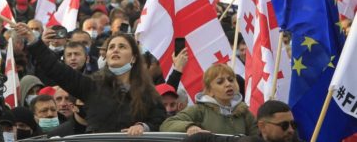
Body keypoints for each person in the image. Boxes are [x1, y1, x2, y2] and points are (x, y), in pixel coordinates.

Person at [17, 23, 166, 135]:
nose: (115, 49)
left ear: (133, 58)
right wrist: (33, 40)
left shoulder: (148, 92)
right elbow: (57, 69)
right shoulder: (93, 85)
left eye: (122, 47)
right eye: (111, 47)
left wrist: (142, 127)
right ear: (106, 56)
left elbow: (159, 119)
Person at [160, 64, 258, 136]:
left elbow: (256, 137)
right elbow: (166, 125)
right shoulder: (199, 110)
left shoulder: (244, 112)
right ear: (209, 90)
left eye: (231, 80)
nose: (228, 84)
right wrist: (189, 127)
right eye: (220, 82)